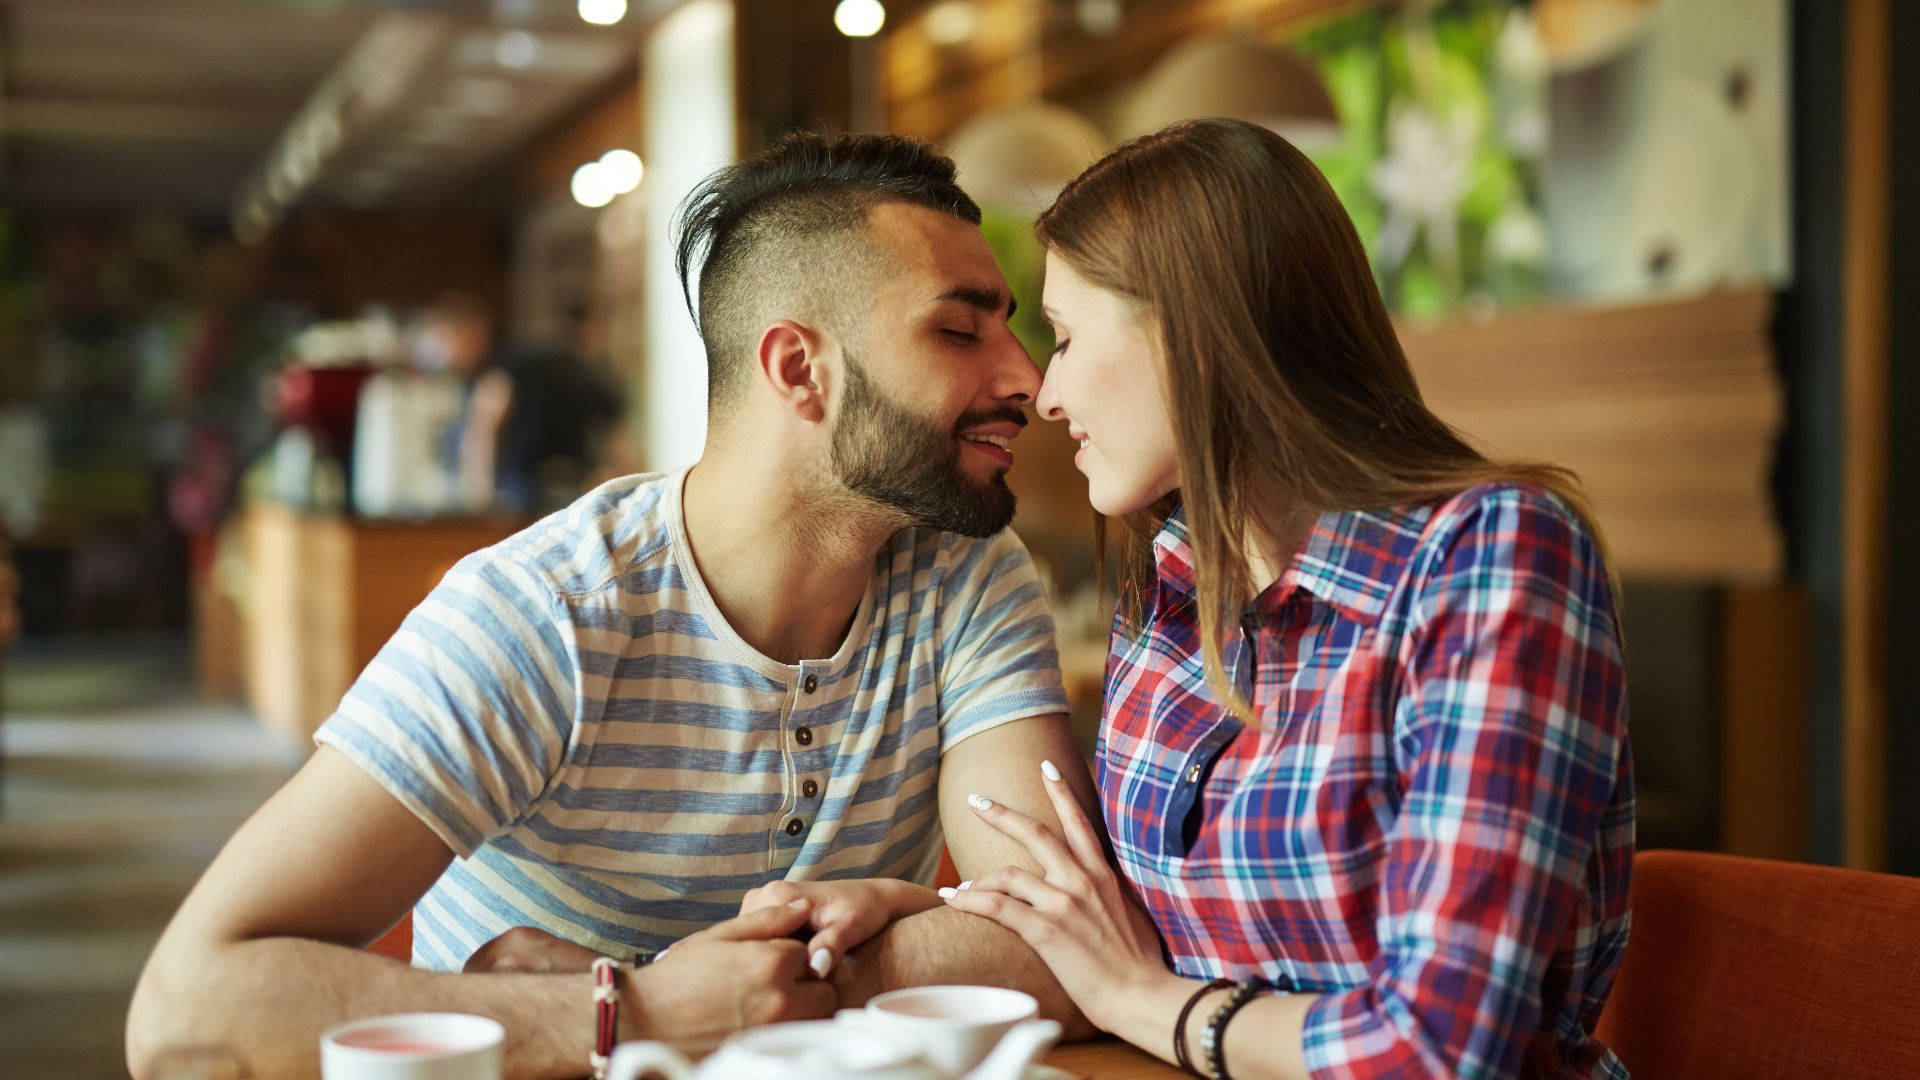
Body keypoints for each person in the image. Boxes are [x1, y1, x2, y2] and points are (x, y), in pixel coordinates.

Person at [127, 131, 1101, 1079]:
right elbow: (186, 1013)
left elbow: (1066, 940)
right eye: (961, 330)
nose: (1026, 377)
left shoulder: (971, 576)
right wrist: (636, 1014)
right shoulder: (542, 614)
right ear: (800, 370)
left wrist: (704, 999)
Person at [939, 118, 1635, 1079]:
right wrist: (887, 913)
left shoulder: (1489, 555)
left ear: (1193, 331)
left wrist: (1145, 1002)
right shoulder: (1178, 581)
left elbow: (1435, 1052)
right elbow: (1114, 926)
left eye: (1062, 336)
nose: (1045, 394)